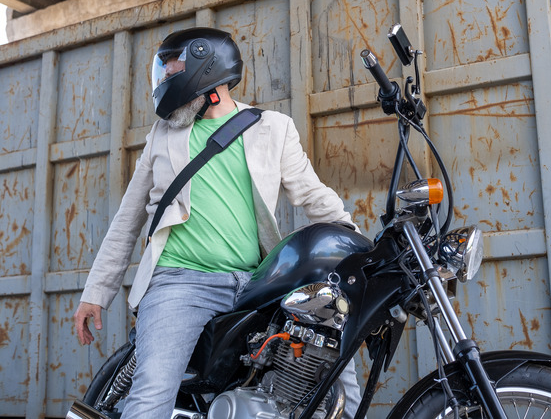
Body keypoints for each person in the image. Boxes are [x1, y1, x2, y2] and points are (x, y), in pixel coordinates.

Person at [72, 27, 361, 418]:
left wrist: (363, 248)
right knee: (152, 392)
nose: (164, 81)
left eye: (172, 71)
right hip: (181, 281)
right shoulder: (161, 135)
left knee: (335, 361)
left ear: (206, 66)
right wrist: (96, 292)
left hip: (259, 282)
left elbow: (314, 198)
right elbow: (128, 218)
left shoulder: (272, 128)